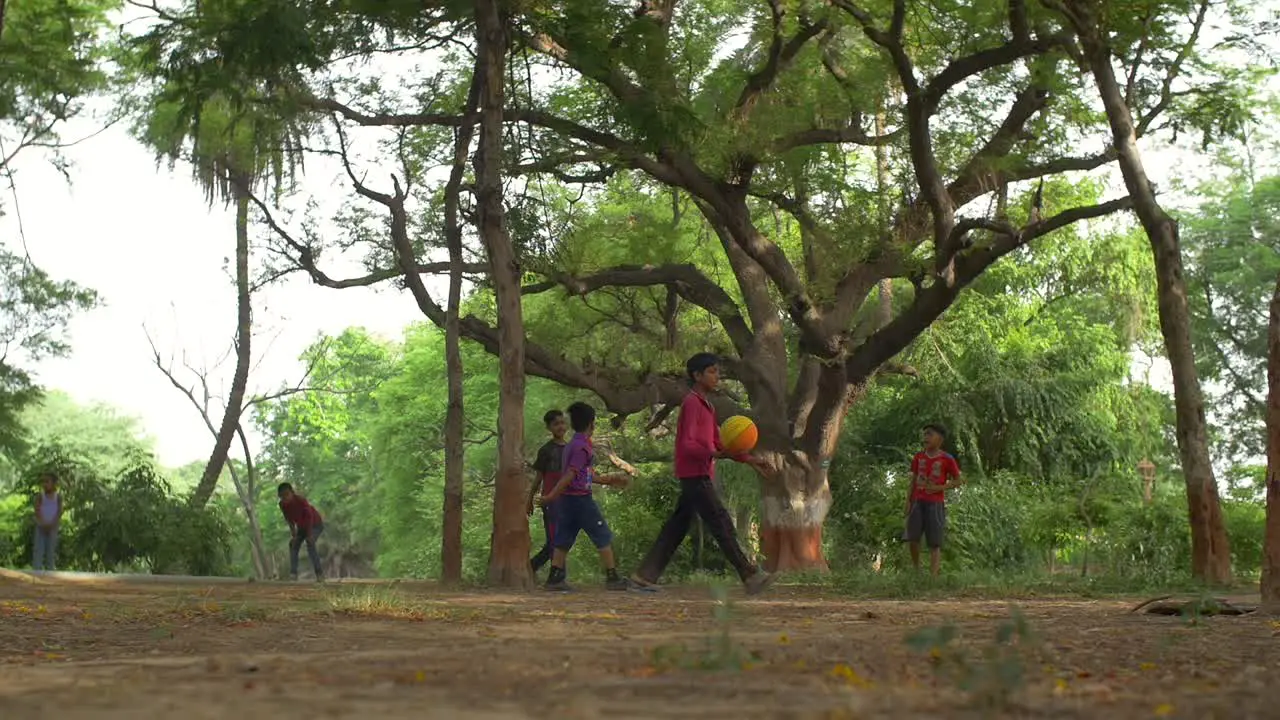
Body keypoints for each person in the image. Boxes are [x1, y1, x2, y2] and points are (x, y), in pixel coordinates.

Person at [631, 353, 776, 596]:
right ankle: (749, 574)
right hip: (694, 473)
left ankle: (643, 576)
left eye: (717, 371)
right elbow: (688, 445)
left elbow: (721, 445)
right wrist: (712, 453)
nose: (717, 376)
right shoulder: (691, 403)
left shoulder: (707, 406)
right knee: (720, 521)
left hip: (699, 472)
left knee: (677, 526)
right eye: (711, 371)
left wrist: (751, 460)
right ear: (697, 376)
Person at [539, 401, 631, 592]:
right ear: (592, 423)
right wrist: (550, 496)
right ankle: (612, 577)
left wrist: (609, 480)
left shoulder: (572, 445)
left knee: (563, 538)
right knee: (602, 535)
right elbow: (571, 475)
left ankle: (555, 578)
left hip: (567, 501)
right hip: (580, 500)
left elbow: (583, 475)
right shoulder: (582, 447)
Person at [904, 423, 963, 577]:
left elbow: (958, 481)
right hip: (917, 501)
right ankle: (917, 571)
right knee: (913, 537)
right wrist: (908, 500)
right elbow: (914, 479)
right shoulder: (918, 457)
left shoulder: (947, 459)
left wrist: (940, 488)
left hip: (935, 503)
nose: (926, 438)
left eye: (929, 434)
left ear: (940, 439)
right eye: (924, 435)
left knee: (935, 542)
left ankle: (933, 577)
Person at [527, 408, 568, 576]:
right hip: (550, 501)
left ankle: (531, 568)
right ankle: (557, 576)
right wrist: (529, 500)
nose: (560, 427)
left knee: (562, 539)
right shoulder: (546, 451)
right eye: (556, 424)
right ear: (549, 428)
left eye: (562, 423)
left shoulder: (571, 449)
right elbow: (538, 478)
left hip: (568, 501)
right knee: (555, 540)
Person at [277, 482, 325, 582]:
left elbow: (309, 516)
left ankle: (319, 574)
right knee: (293, 545)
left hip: (315, 524)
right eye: (282, 496)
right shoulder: (282, 505)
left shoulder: (300, 500)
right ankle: (293, 574)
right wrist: (294, 535)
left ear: (292, 493)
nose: (285, 498)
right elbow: (289, 520)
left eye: (286, 494)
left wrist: (310, 535)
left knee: (310, 543)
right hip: (302, 528)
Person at [32, 472, 62, 571]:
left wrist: (52, 524)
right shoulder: (40, 496)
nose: (45, 484)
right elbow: (37, 510)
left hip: (52, 528)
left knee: (50, 552)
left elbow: (59, 512)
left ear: (53, 483)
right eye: (43, 482)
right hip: (41, 527)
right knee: (39, 552)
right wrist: (43, 523)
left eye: (47, 482)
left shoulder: (58, 497)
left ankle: (50, 574)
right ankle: (37, 573)